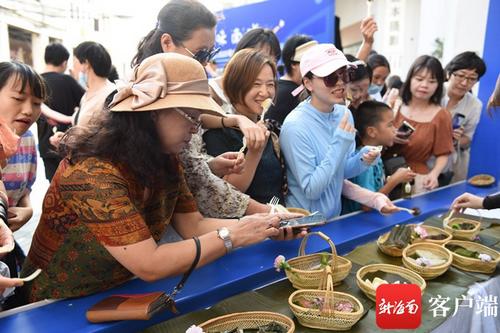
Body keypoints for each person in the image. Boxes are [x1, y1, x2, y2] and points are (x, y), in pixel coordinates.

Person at [18, 53, 303, 304]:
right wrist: (235, 234)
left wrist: (261, 226)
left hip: (120, 292)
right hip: (59, 302)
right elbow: (149, 263)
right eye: (191, 117)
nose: (195, 130)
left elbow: (195, 224)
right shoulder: (93, 172)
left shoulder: (166, 158)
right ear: (152, 113)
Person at [132, 0, 270, 218]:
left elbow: (188, 169)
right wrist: (270, 213)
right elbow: (199, 183)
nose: (204, 65)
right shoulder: (148, 98)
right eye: (200, 54)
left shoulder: (167, 87)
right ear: (167, 42)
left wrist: (211, 162)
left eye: (210, 55)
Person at [279, 44, 389, 219]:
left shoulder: (343, 113)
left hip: (334, 218)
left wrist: (363, 159)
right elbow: (311, 190)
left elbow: (340, 172)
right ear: (308, 83)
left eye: (344, 75)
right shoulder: (295, 126)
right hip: (304, 223)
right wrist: (340, 143)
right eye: (330, 78)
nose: (340, 84)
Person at [204, 49, 284, 204]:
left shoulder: (270, 130)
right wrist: (254, 151)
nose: (265, 92)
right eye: (256, 84)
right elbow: (228, 197)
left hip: (281, 220)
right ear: (235, 84)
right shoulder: (218, 134)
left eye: (270, 84)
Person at [0, 61, 45, 308]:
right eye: (18, 98)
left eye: (37, 103)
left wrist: (27, 210)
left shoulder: (26, 139)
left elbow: (25, 190)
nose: (28, 110)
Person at [388, 55, 453, 194]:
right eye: (419, 79)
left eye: (432, 81)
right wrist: (389, 137)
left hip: (416, 179)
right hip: (384, 174)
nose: (424, 85)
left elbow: (444, 152)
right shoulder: (394, 104)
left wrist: (434, 174)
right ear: (410, 78)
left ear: (438, 85)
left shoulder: (442, 115)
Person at [343, 101, 416, 213]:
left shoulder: (376, 153)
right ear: (372, 132)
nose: (394, 130)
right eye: (390, 125)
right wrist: (394, 180)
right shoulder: (365, 160)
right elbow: (366, 206)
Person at [39, 43, 85, 180]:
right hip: (67, 145)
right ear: (64, 62)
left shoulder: (36, 81)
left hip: (45, 145)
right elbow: (85, 103)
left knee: (52, 186)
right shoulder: (67, 81)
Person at [441, 52, 486, 183]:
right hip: (422, 159)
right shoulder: (435, 91)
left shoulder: (475, 105)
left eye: (472, 79)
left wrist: (457, 138)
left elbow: (468, 138)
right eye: (460, 76)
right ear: (449, 73)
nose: (464, 83)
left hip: (451, 166)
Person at [264, 36, 317, 130]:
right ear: (293, 64)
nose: (314, 68)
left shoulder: (286, 88)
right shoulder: (284, 94)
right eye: (308, 63)